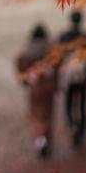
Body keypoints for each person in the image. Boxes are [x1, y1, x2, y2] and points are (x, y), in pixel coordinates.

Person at [58, 9, 86, 148]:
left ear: (70, 20)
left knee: (69, 104)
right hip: (83, 76)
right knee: (82, 105)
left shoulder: (63, 37)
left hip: (68, 76)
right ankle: (81, 131)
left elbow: (57, 58)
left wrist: (58, 76)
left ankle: (72, 125)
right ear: (81, 20)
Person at [15, 24, 58, 157]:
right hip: (49, 88)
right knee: (47, 116)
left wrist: (25, 80)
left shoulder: (27, 51)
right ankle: (45, 140)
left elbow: (19, 64)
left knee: (36, 116)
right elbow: (58, 66)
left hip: (34, 89)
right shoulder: (50, 50)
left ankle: (40, 140)